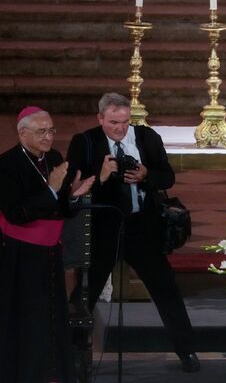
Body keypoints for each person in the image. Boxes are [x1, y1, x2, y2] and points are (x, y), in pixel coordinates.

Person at [64, 93, 201, 373]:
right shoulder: (85, 142)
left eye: (125, 122)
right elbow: (72, 190)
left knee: (166, 289)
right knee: (84, 295)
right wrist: (100, 177)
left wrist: (145, 176)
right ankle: (71, 353)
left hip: (142, 227)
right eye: (114, 122)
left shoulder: (147, 138)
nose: (120, 128)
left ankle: (186, 350)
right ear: (100, 118)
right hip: (103, 231)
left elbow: (168, 177)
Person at [0, 106, 94, 383]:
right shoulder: (5, 166)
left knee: (52, 318)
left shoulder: (52, 158)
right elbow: (17, 214)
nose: (48, 137)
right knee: (28, 321)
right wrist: (52, 189)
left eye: (51, 130)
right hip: (20, 258)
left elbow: (60, 209)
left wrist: (74, 196)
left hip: (51, 254)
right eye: (41, 131)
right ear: (22, 133)